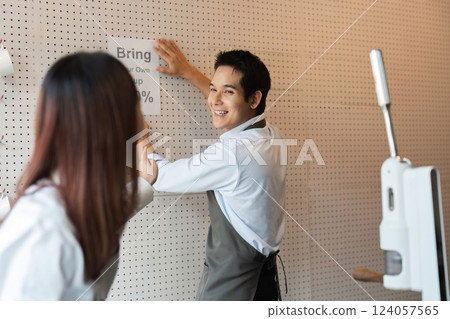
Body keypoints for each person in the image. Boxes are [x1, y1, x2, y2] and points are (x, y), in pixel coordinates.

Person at [0, 52, 156, 300]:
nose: (145, 122)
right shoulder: (43, 228)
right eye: (135, 102)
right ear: (110, 122)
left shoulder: (74, 200)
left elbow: (97, 213)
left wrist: (142, 181)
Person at [150, 39, 287, 300]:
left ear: (254, 98)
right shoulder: (272, 135)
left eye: (228, 91)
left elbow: (162, 177)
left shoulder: (232, 154)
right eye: (214, 89)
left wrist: (133, 133)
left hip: (231, 289)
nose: (215, 100)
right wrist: (189, 72)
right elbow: (231, 108)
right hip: (265, 282)